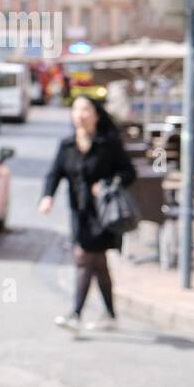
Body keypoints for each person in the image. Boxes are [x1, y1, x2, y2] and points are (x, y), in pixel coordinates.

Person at [39, 95, 136, 332]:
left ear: (96, 114)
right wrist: (47, 196)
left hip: (103, 213)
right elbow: (55, 173)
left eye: (85, 110)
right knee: (99, 264)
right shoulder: (67, 144)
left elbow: (128, 172)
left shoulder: (108, 143)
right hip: (79, 212)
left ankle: (76, 314)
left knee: (84, 258)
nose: (79, 115)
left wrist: (106, 183)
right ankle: (110, 316)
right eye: (76, 110)